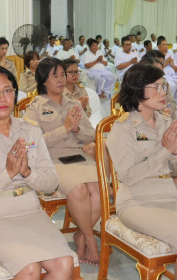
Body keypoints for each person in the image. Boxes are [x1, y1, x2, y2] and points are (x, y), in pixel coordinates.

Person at [0, 65, 74, 279]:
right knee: (29, 269)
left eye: (8, 90)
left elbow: (51, 183)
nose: (2, 98)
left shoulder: (30, 129)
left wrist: (28, 173)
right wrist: (6, 174)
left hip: (29, 212)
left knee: (64, 264)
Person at [24, 58, 100, 265]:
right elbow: (32, 143)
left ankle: (81, 235)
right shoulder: (35, 107)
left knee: (100, 190)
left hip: (79, 156)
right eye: (54, 76)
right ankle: (90, 240)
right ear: (43, 81)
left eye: (62, 75)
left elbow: (90, 135)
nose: (61, 80)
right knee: (79, 191)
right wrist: (64, 129)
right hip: (52, 159)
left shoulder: (73, 103)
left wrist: (77, 129)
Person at [106, 63, 177, 276]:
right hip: (137, 202)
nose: (163, 92)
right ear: (137, 90)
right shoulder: (122, 129)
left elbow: (172, 167)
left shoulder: (166, 122)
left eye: (164, 86)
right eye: (155, 87)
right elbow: (127, 176)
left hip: (169, 196)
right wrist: (165, 151)